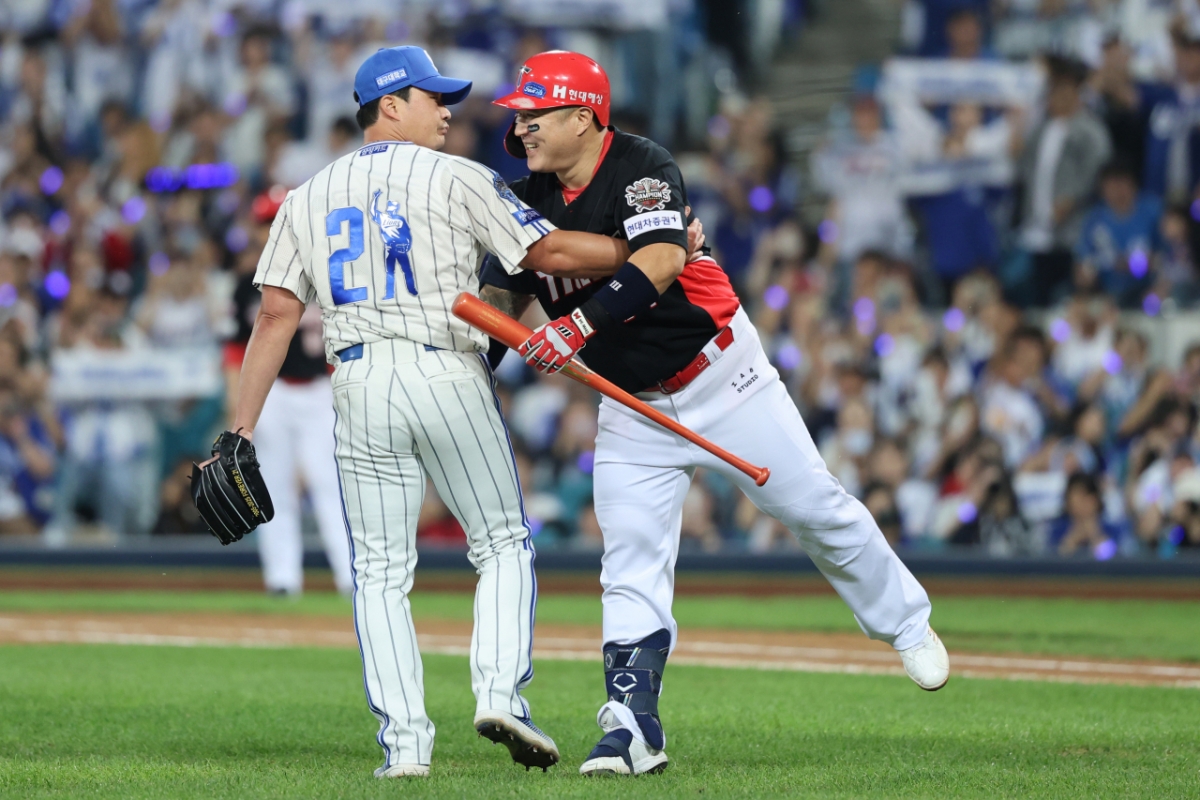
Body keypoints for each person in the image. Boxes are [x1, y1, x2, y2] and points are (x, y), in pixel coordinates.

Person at [481, 50, 948, 778]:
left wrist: (575, 327)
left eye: (535, 113)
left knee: (815, 508)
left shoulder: (640, 164)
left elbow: (662, 260)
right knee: (629, 557)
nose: (522, 126)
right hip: (631, 404)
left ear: (582, 115)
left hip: (723, 375)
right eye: (520, 115)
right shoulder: (521, 201)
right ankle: (632, 727)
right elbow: (499, 304)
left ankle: (905, 621)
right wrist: (472, 365)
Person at [225, 46, 639, 779]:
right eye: (431, 97)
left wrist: (240, 428)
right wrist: (638, 247)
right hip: (445, 365)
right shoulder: (457, 175)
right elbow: (546, 253)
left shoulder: (305, 194)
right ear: (389, 105)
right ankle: (500, 695)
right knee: (502, 541)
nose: (447, 110)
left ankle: (406, 748)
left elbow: (276, 316)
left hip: (357, 379)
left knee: (380, 572)